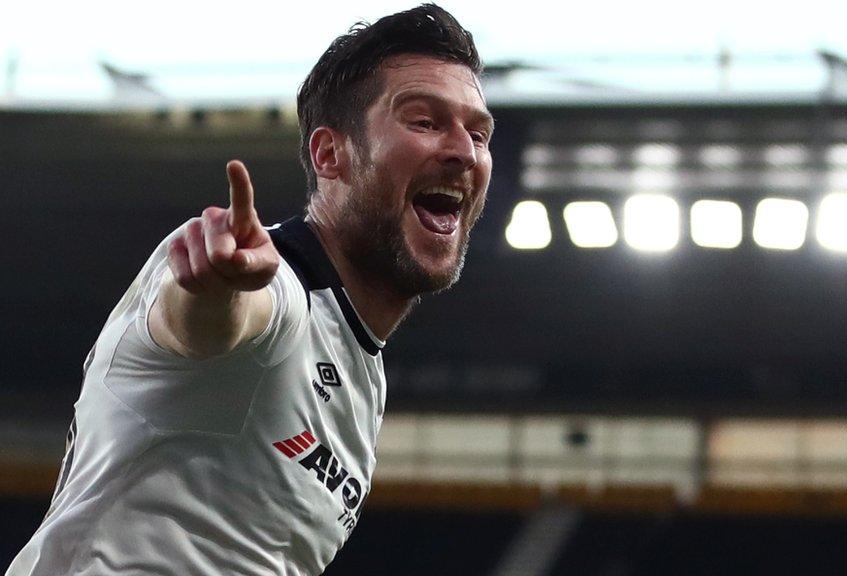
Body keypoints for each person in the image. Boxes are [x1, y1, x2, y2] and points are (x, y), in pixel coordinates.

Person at [6, 4, 493, 574]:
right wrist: (217, 288)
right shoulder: (276, 286)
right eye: (425, 121)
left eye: (478, 132)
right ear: (330, 155)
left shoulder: (363, 369)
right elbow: (214, 321)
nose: (465, 151)